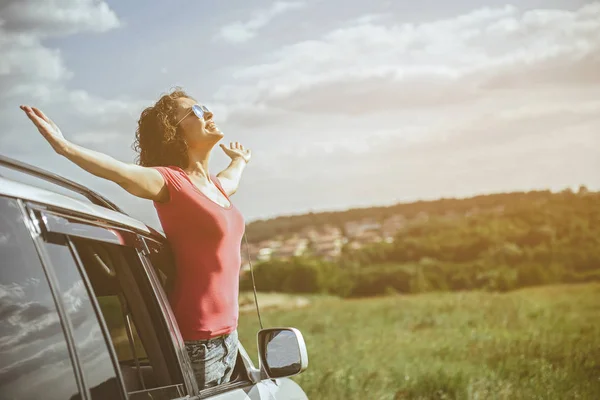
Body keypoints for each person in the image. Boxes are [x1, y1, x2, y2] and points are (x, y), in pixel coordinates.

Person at [19, 88, 251, 390]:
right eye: (195, 111)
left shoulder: (216, 187)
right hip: (198, 344)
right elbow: (120, 172)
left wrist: (240, 160)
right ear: (174, 133)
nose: (208, 113)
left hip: (230, 339)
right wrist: (65, 147)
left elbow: (232, 177)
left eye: (205, 107)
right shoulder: (170, 182)